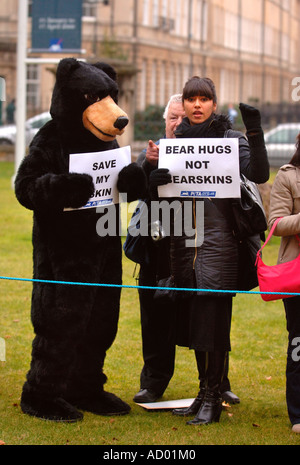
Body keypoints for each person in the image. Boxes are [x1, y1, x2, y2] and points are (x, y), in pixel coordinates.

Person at [147, 76, 269, 425]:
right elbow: (160, 197)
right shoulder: (176, 142)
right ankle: (203, 391)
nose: (197, 105)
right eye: (191, 99)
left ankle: (214, 397)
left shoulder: (230, 140)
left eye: (204, 99)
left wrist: (255, 131)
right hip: (183, 244)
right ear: (182, 105)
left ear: (214, 105)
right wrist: (151, 174)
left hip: (221, 243)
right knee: (195, 322)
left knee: (213, 321)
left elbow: (258, 172)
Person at [133, 93, 240, 406]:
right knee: (155, 318)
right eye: (172, 118)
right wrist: (148, 181)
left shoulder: (213, 150)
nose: (178, 123)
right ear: (165, 122)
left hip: (200, 250)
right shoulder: (151, 153)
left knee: (207, 314)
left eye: (183, 117)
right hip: (157, 247)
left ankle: (216, 384)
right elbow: (132, 195)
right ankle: (153, 382)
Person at [268, 133, 300, 434]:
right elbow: (275, 223)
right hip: (297, 273)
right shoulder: (288, 177)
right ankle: (298, 413)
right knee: (299, 341)